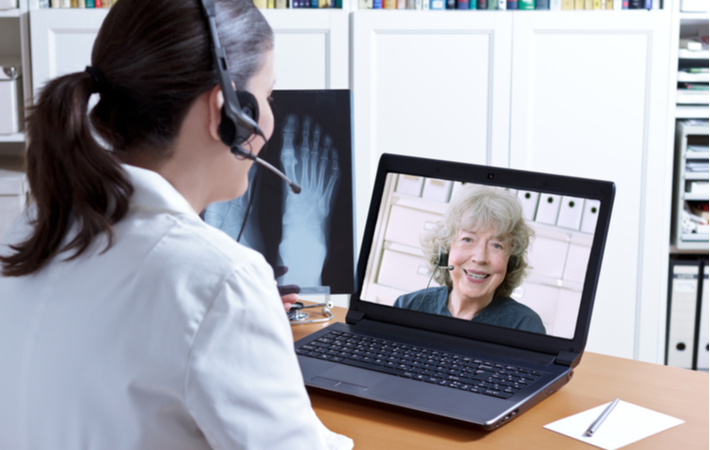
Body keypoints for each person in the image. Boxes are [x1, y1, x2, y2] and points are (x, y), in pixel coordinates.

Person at [0, 1, 352, 449]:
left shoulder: (33, 228)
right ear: (226, 113)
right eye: (268, 97)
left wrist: (243, 332)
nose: (270, 117)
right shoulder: (222, 280)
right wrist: (239, 315)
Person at [393, 185, 546, 334]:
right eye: (467, 240)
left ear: (510, 261)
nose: (480, 258)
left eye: (496, 245)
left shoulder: (525, 326)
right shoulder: (409, 306)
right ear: (445, 250)